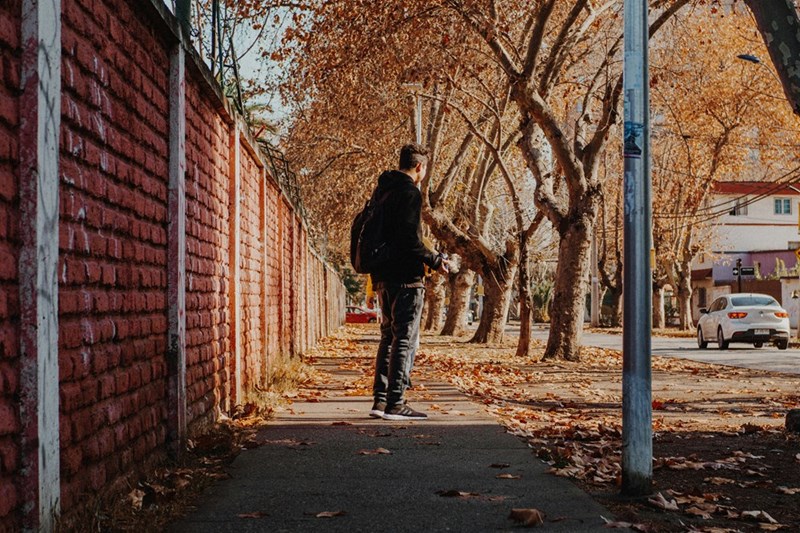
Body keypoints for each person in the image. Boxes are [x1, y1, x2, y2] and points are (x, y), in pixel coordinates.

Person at [368, 143, 447, 421]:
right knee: (404, 338)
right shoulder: (409, 192)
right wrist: (435, 260)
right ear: (419, 167)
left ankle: (380, 401)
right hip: (406, 278)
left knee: (387, 337)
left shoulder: (382, 191)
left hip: (382, 277)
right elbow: (409, 240)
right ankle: (396, 403)